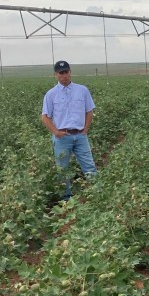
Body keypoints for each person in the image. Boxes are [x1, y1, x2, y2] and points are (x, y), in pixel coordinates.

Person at [41, 60, 97, 199]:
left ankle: (97, 194)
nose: (64, 75)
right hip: (62, 137)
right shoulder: (51, 94)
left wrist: (85, 129)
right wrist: (56, 132)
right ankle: (66, 199)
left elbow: (89, 111)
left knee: (89, 166)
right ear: (55, 75)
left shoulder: (82, 90)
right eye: (61, 73)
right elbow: (45, 116)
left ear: (70, 73)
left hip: (80, 135)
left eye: (66, 72)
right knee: (62, 170)